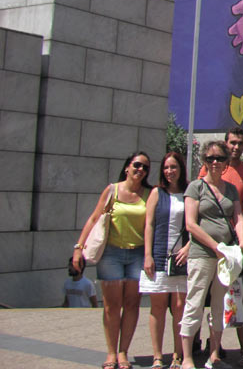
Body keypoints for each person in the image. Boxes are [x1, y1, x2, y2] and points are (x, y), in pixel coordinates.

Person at [72, 152, 152, 369]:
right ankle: (110, 353)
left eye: (145, 167)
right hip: (112, 254)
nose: (141, 170)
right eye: (137, 165)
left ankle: (124, 352)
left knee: (132, 304)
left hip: (137, 254)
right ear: (127, 167)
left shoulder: (149, 193)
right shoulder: (112, 190)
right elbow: (94, 218)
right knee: (111, 306)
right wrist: (79, 248)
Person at [179, 141, 243, 369]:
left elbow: (238, 217)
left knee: (220, 306)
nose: (215, 162)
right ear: (204, 161)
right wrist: (216, 247)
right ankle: (187, 358)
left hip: (225, 257)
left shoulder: (231, 189)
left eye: (219, 158)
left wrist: (242, 243)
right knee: (194, 303)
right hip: (202, 254)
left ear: (227, 161)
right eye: (210, 158)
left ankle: (214, 354)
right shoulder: (196, 187)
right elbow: (191, 224)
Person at [198, 127, 243, 365]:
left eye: (240, 143)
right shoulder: (209, 168)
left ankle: (238, 349)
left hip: (234, 247)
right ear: (225, 143)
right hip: (210, 246)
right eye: (232, 143)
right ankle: (210, 345)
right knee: (209, 298)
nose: (236, 147)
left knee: (237, 298)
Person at [140, 152, 190, 369]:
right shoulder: (156, 193)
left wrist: (189, 247)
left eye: (174, 167)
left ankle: (178, 355)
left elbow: (195, 223)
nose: (170, 171)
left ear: (181, 169)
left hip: (181, 258)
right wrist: (148, 255)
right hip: (159, 256)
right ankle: (158, 356)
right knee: (158, 308)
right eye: (167, 167)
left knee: (180, 307)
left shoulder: (189, 192)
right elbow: (149, 224)